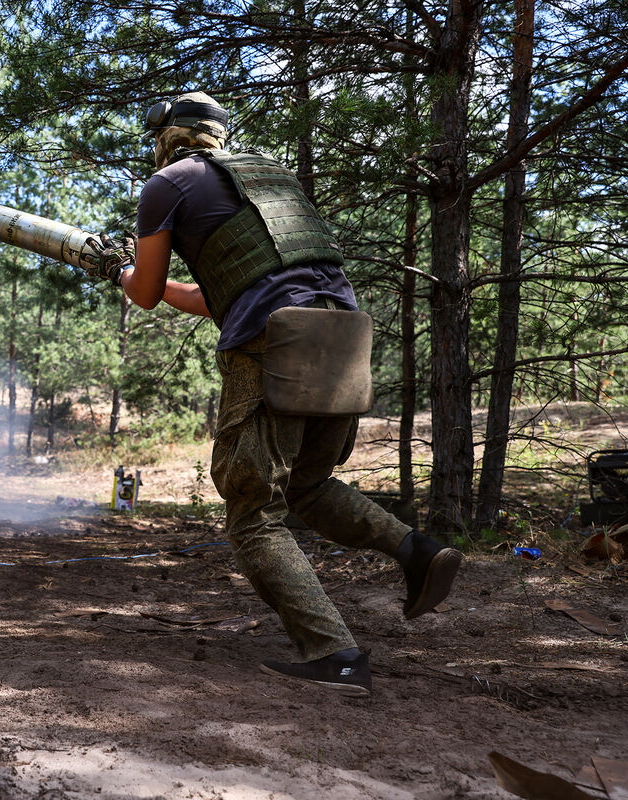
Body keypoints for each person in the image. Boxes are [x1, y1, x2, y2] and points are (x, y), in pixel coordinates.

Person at [93, 91, 462, 698]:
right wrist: (134, 274)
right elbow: (214, 296)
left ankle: (336, 655)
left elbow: (147, 289)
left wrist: (116, 270)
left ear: (168, 136)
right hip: (341, 334)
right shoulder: (267, 176)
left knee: (252, 509)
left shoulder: (166, 184)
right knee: (306, 488)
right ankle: (415, 549)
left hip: (274, 343)